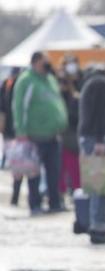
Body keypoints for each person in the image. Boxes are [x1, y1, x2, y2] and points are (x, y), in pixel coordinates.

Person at [12, 51, 68, 215]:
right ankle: (35, 204)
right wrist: (21, 131)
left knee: (54, 171)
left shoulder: (50, 79)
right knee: (33, 171)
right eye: (45, 62)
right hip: (34, 134)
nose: (48, 64)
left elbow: (57, 101)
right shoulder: (26, 80)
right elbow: (19, 107)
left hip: (53, 134)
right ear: (36, 62)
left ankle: (54, 202)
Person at [78, 69, 105, 244]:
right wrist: (100, 139)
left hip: (95, 138)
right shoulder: (101, 84)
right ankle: (99, 228)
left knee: (101, 184)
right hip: (100, 140)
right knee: (104, 185)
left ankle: (99, 225)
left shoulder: (94, 83)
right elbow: (99, 113)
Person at [58, 71, 81, 206]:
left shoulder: (76, 99)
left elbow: (77, 119)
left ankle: (77, 195)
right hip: (60, 139)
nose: (62, 86)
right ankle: (60, 195)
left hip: (72, 141)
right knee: (60, 171)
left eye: (65, 83)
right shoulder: (56, 99)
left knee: (74, 170)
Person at [0, 67, 21, 205]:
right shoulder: (7, 85)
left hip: (15, 131)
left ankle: (15, 195)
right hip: (12, 131)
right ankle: (15, 195)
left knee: (17, 164)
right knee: (17, 164)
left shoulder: (12, 85)